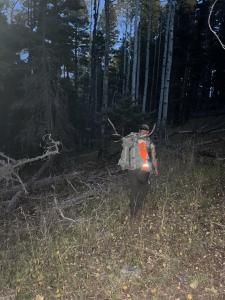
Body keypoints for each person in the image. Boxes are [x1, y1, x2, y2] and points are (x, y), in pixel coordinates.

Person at [116, 124, 158, 216]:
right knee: (144, 187)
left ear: (139, 130)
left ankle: (133, 213)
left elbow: (124, 145)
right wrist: (155, 169)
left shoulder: (131, 138)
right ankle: (138, 207)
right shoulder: (147, 142)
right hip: (143, 169)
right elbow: (154, 158)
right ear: (147, 132)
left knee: (134, 190)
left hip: (131, 169)